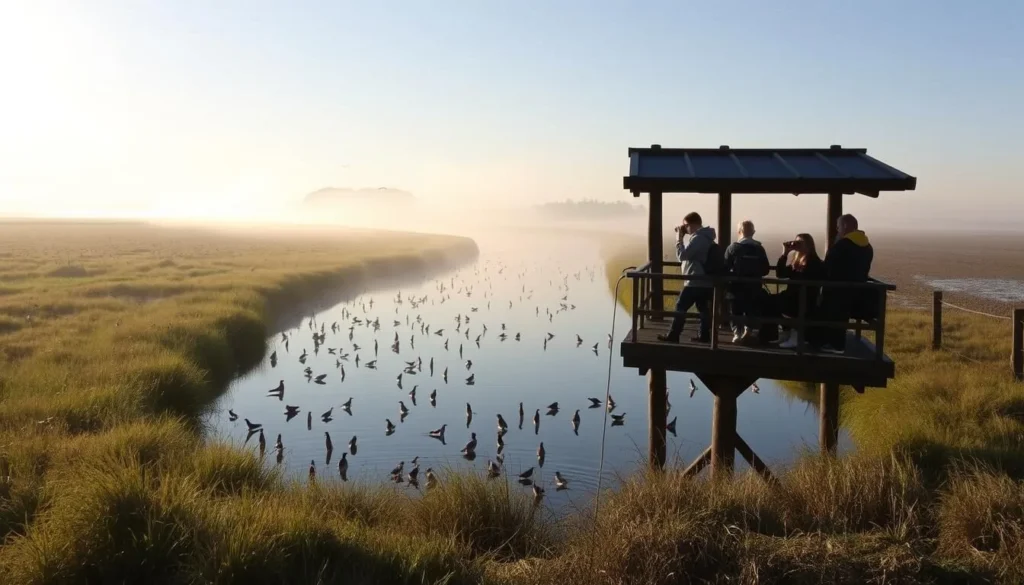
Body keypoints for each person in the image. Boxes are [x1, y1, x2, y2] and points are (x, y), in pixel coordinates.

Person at [814, 214, 874, 353]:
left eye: (839, 226)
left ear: (846, 226)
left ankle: (835, 345)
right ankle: (836, 344)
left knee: (831, 313)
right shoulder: (867, 246)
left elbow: (829, 266)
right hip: (857, 290)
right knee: (841, 316)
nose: (837, 229)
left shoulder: (843, 244)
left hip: (838, 289)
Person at [657, 212, 717, 343]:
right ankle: (704, 336)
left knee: (680, 306)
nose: (684, 229)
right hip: (703, 280)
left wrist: (678, 239)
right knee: (703, 309)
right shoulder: (705, 237)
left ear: (692, 224)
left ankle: (674, 335)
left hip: (695, 281)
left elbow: (683, 256)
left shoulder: (699, 238)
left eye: (685, 225)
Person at [773, 233, 825, 349]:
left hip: (805, 299)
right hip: (793, 297)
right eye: (796, 243)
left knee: (783, 303)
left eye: (800, 243)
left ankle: (795, 337)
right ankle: (786, 334)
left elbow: (807, 281)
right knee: (770, 300)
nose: (797, 246)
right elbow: (780, 274)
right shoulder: (796, 262)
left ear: (809, 245)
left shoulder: (814, 262)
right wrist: (785, 253)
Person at [723, 220, 769, 343]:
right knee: (751, 310)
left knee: (735, 310)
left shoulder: (733, 248)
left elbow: (725, 268)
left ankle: (737, 334)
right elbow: (765, 270)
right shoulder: (759, 248)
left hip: (735, 287)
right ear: (753, 232)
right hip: (754, 287)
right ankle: (748, 332)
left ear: (739, 232)